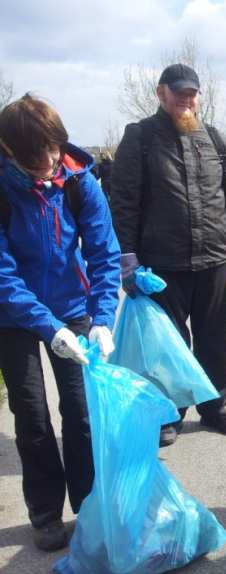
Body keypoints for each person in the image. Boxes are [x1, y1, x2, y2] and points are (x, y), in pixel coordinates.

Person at [0, 94, 121, 551]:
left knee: (81, 410)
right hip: (12, 316)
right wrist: (50, 329)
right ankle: (46, 512)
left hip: (73, 306)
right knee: (31, 415)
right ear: (8, 149)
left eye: (52, 149)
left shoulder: (78, 180)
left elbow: (103, 252)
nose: (48, 162)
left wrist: (103, 318)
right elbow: (3, 275)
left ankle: (88, 506)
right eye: (35, 157)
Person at [110, 63, 226, 447]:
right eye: (179, 93)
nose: (186, 100)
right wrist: (128, 259)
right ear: (162, 94)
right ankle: (169, 412)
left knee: (215, 338)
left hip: (215, 258)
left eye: (192, 94)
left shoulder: (215, 139)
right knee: (167, 344)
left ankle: (214, 405)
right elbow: (123, 202)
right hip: (163, 262)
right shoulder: (140, 137)